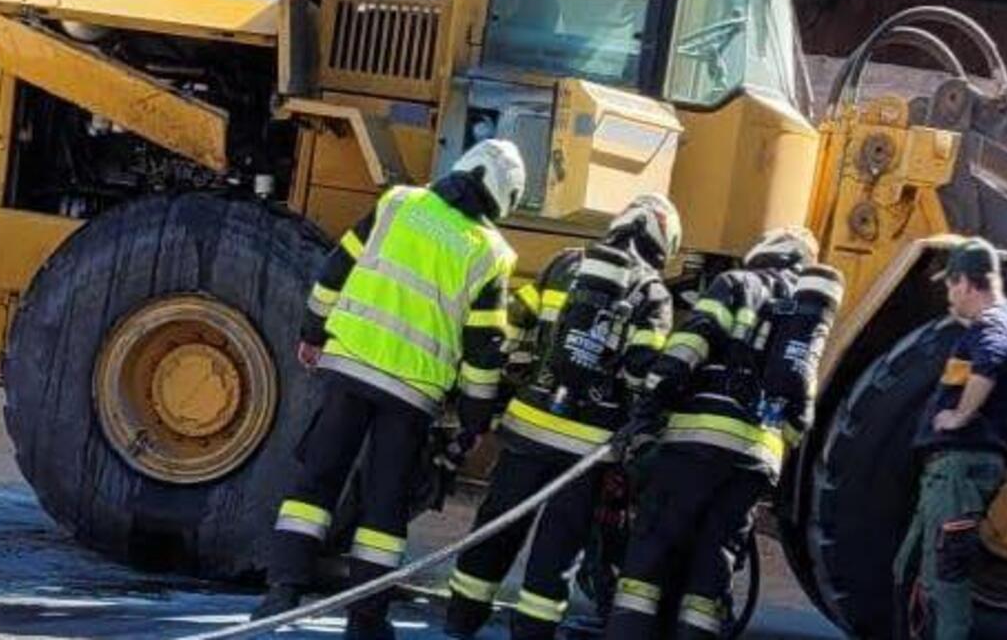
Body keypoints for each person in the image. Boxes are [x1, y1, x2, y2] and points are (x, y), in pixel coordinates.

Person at [253, 138, 525, 640]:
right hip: (412, 396)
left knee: (316, 483)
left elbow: (337, 267)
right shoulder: (492, 254)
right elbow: (484, 349)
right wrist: (473, 420)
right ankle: (366, 622)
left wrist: (313, 332)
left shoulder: (399, 201)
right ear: (502, 198)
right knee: (384, 507)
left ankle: (280, 593)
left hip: (352, 368)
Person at [445, 192, 681, 639]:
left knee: (495, 528)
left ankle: (461, 620)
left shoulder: (566, 264)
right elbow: (641, 374)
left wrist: (505, 386)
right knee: (559, 548)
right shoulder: (653, 293)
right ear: (662, 243)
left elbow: (512, 324)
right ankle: (532, 631)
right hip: (587, 450)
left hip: (527, 429)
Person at [606, 227, 844, 640]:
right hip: (757, 458)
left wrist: (649, 406)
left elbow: (690, 345)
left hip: (696, 444)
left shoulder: (736, 283)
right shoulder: (806, 317)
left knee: (649, 560)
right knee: (712, 571)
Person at [893, 237, 1007, 640]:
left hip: (957, 469)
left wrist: (960, 415)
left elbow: (990, 358)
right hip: (951, 472)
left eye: (951, 286)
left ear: (967, 284)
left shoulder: (994, 325)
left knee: (944, 585)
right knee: (911, 569)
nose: (948, 295)